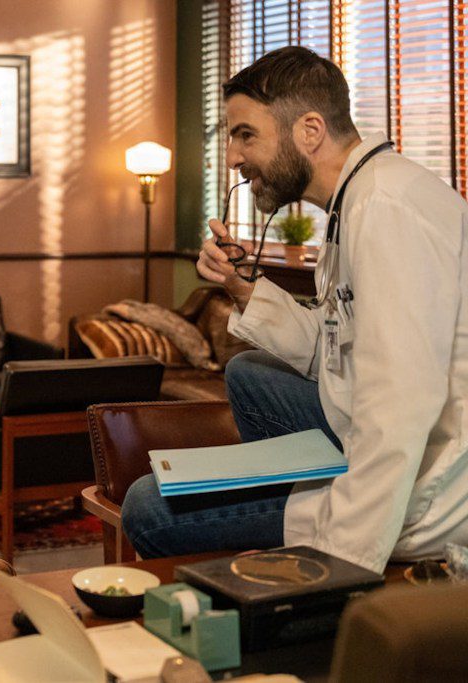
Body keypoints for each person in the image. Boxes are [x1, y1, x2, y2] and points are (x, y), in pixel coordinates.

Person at [122, 46, 468, 573]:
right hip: (378, 428)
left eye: (246, 135)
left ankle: (303, 519)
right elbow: (336, 349)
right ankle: (294, 488)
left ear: (309, 131)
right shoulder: (355, 198)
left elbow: (400, 405)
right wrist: (245, 290)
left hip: (432, 487)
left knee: (149, 506)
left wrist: (337, 563)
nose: (233, 157)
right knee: (248, 373)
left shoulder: (385, 210)